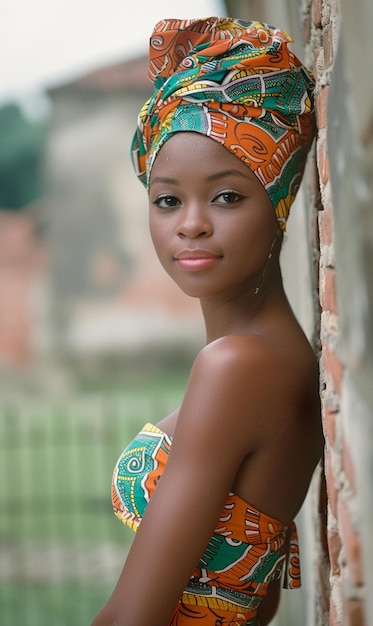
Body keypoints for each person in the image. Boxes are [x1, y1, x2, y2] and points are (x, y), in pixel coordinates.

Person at [91, 16, 323, 626]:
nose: (190, 224)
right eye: (168, 199)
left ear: (277, 202)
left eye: (226, 196)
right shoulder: (263, 354)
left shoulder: (238, 366)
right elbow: (258, 598)